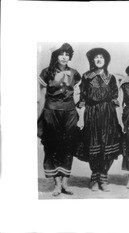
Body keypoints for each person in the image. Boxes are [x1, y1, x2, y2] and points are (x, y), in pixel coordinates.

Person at [38, 43, 81, 196]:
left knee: (68, 146)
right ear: (56, 56)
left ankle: (65, 184)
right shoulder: (46, 72)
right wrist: (38, 116)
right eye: (61, 54)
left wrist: (79, 114)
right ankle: (56, 185)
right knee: (51, 146)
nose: (64, 57)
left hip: (69, 113)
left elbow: (77, 97)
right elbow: (42, 97)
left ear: (70, 57)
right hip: (51, 112)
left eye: (67, 54)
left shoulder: (75, 73)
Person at [77, 48, 122, 192]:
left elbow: (115, 96)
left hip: (108, 114)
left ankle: (103, 177)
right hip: (92, 113)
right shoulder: (86, 76)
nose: (98, 60)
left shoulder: (111, 77)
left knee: (107, 144)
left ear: (105, 60)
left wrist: (118, 117)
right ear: (92, 60)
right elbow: (83, 97)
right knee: (94, 144)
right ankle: (94, 177)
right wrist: (81, 117)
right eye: (96, 57)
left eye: (101, 57)